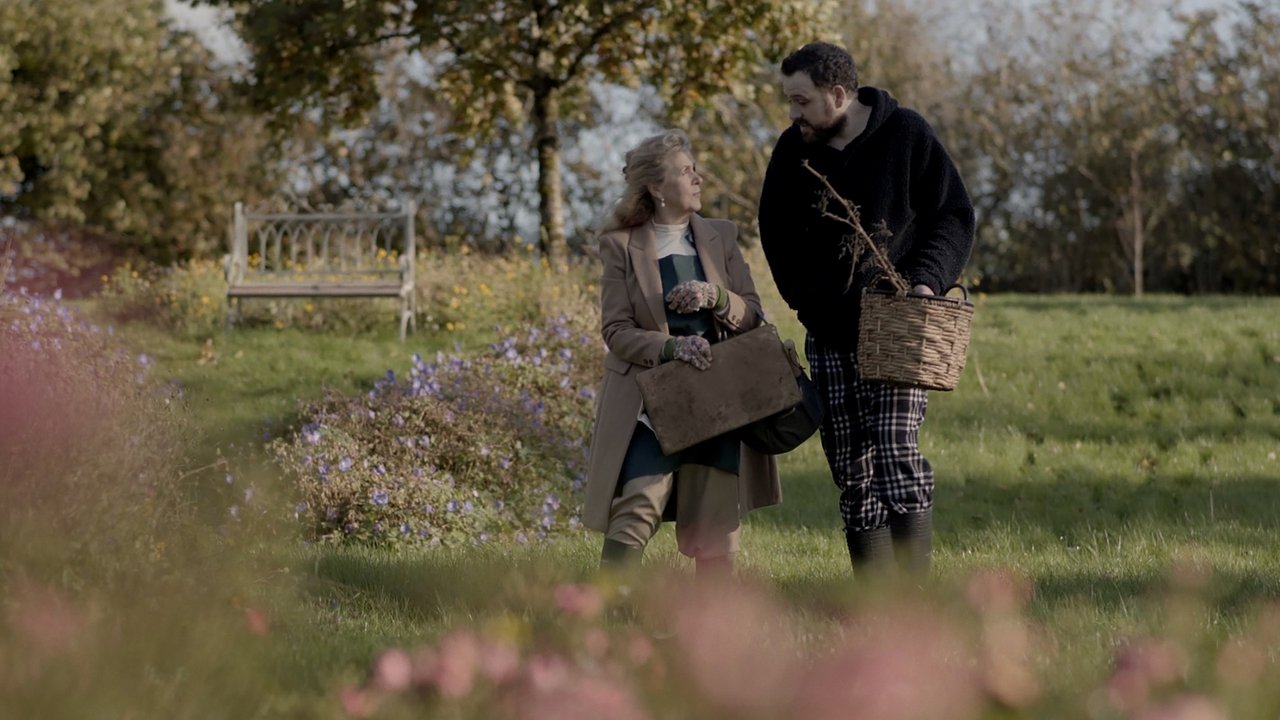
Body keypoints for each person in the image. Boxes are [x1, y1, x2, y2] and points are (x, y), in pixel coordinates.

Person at [757, 42, 975, 578]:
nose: (793, 113)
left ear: (837, 94)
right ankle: (875, 604)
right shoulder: (792, 152)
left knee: (896, 452)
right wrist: (808, 303)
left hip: (900, 329)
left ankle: (913, 605)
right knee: (852, 470)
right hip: (829, 335)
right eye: (790, 101)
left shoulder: (906, 134)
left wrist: (925, 282)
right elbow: (776, 236)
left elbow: (952, 215)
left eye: (802, 101)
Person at [582, 129, 781, 578]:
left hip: (718, 398)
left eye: (695, 169)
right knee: (637, 503)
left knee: (715, 520)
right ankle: (610, 608)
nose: (698, 178)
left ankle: (712, 617)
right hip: (653, 400)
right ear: (656, 186)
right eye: (686, 171)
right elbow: (616, 331)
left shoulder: (721, 236)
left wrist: (717, 297)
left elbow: (753, 314)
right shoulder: (620, 245)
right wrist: (672, 347)